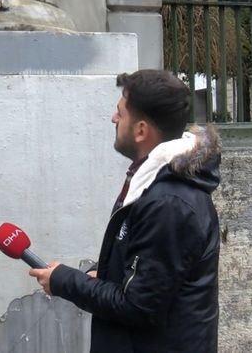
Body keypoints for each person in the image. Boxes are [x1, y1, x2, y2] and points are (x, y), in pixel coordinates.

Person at [29, 70, 221, 352]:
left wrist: (64, 281)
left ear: (141, 130)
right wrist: (101, 274)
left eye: (120, 113)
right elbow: (143, 274)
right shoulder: (153, 186)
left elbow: (139, 306)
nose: (113, 119)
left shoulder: (168, 204)